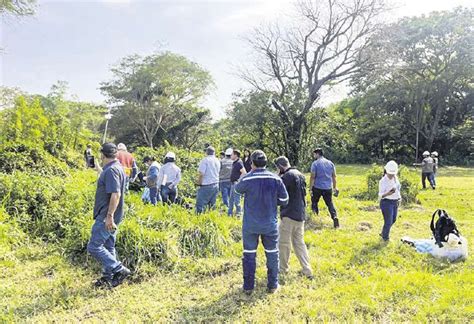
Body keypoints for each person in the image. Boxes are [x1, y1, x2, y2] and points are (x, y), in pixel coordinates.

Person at [235, 150, 289, 295]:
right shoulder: (276, 179)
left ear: (252, 163)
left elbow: (237, 190)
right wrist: (272, 202)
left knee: (249, 254)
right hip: (270, 224)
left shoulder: (247, 179)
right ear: (266, 162)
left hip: (250, 225)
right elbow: (285, 200)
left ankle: (248, 287)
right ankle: (272, 285)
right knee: (272, 253)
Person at [87, 143, 131, 288]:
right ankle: (108, 278)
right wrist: (98, 168)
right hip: (112, 214)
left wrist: (109, 216)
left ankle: (119, 269)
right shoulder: (116, 168)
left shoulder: (112, 170)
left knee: (94, 246)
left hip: (107, 215)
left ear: (102, 154)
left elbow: (116, 194)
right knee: (109, 246)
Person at [275, 156, 313, 279]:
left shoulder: (286, 177)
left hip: (288, 213)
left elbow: (279, 193)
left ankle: (283, 269)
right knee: (299, 243)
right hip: (300, 214)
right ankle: (307, 269)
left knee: (284, 243)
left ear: (280, 167)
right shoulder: (300, 174)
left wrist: (277, 177)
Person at [309, 148, 339, 228]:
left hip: (317, 187)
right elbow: (334, 176)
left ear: (317, 154)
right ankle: (334, 217)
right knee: (330, 203)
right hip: (328, 187)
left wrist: (310, 188)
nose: (314, 156)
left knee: (314, 202)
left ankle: (315, 219)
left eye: (314, 154)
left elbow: (312, 177)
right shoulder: (330, 163)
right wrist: (334, 187)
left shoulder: (315, 164)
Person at [378, 161, 401, 242]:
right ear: (386, 171)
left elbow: (398, 188)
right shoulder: (383, 181)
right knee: (388, 221)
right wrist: (388, 193)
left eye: (393, 174)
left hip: (395, 202)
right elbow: (380, 195)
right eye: (390, 174)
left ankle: (384, 232)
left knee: (393, 219)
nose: (391, 175)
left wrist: (399, 198)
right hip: (386, 202)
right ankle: (385, 238)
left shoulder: (396, 178)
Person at [195, 146, 221, 214]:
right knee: (212, 206)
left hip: (206, 185)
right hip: (216, 184)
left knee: (200, 205)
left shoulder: (205, 160)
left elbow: (201, 174)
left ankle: (199, 220)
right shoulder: (217, 160)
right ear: (214, 153)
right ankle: (210, 220)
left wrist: (199, 183)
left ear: (206, 152)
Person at [228, 149, 246, 216]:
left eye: (232, 154)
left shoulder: (239, 163)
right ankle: (229, 213)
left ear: (235, 155)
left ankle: (239, 214)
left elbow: (244, 173)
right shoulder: (234, 162)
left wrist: (238, 181)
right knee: (231, 200)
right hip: (233, 183)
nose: (230, 156)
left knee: (237, 201)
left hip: (236, 183)